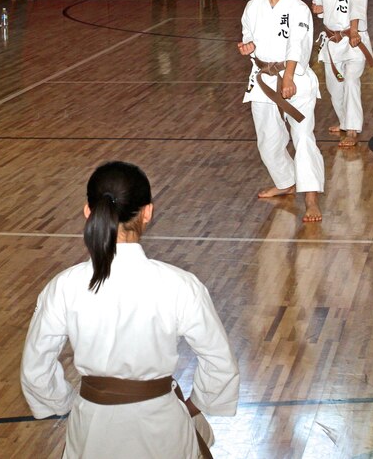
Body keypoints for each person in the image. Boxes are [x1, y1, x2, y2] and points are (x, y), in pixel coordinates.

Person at [21, 161, 238, 459]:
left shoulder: (63, 287)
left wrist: (71, 404)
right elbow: (220, 364)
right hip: (165, 430)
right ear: (148, 212)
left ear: (88, 211)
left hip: (92, 431)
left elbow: (36, 370)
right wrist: (194, 404)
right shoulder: (180, 285)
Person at [237, 0, 324, 222]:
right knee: (268, 143)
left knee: (303, 138)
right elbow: (247, 36)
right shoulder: (252, 7)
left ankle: (311, 199)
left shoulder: (298, 10)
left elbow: (297, 46)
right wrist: (247, 47)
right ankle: (286, 181)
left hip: (295, 81)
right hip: (263, 82)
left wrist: (288, 78)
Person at [311, 0, 373, 149]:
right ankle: (344, 121)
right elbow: (319, 7)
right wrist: (317, 9)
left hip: (354, 40)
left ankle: (353, 129)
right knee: (334, 87)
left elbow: (357, 6)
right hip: (332, 41)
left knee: (350, 81)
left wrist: (354, 31)